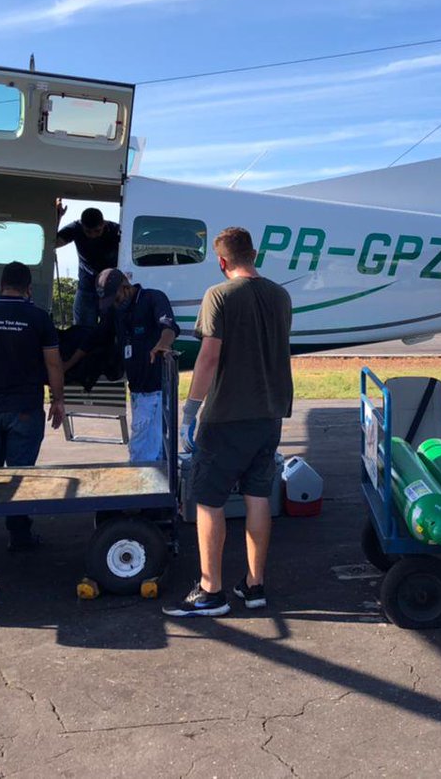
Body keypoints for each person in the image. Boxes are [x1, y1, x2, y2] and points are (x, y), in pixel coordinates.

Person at [163, 228, 293, 617]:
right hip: (270, 415)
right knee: (257, 497)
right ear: (254, 254)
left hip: (227, 417)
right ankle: (254, 585)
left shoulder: (218, 295)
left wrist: (190, 409)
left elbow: (208, 357)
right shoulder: (281, 295)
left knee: (208, 499)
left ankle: (211, 591)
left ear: (222, 262)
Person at [0, 261, 66, 551]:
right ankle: (19, 535)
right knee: (21, 475)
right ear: (29, 289)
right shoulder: (39, 317)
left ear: (0, 285)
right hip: (26, 408)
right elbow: (53, 363)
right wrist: (58, 400)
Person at [61, 268, 180, 461]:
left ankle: (150, 488)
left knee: (144, 455)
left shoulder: (152, 298)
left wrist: (162, 344)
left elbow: (169, 326)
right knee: (152, 449)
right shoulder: (116, 312)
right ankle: (162, 485)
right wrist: (68, 364)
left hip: (156, 388)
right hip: (137, 390)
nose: (113, 304)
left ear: (125, 287)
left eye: (114, 298)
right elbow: (96, 338)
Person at [55, 201, 120, 327]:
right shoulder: (75, 228)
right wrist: (58, 218)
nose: (93, 235)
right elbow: (54, 242)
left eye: (97, 231)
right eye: (88, 232)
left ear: (104, 224)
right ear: (82, 226)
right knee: (82, 331)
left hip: (111, 288)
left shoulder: (115, 230)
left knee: (112, 329)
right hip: (87, 287)